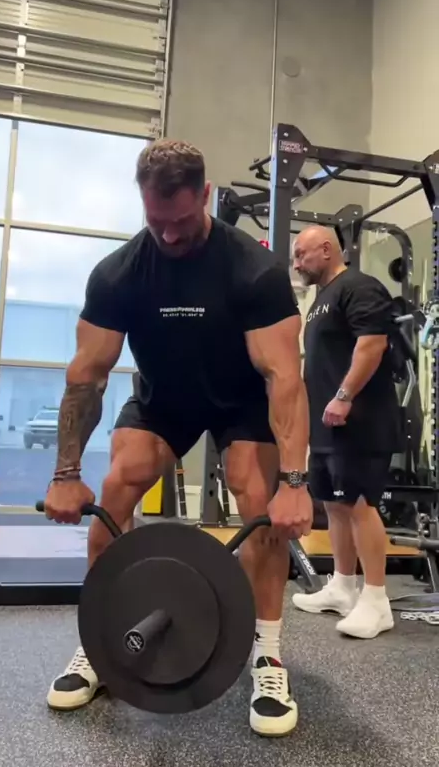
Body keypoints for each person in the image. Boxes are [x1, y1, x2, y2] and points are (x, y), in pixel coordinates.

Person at [43, 139, 312, 736]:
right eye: (155, 221)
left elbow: (284, 379)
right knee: (120, 483)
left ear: (206, 196)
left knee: (258, 499)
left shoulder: (254, 270)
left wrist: (294, 482)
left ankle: (268, 657)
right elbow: (86, 377)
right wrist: (65, 474)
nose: (168, 235)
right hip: (164, 398)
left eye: (182, 221)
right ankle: (101, 643)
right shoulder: (118, 274)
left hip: (241, 401)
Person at [291, 225, 401, 639]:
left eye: (301, 254)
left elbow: (372, 344)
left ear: (326, 249)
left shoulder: (359, 287)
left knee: (358, 504)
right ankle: (342, 586)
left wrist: (343, 396)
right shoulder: (322, 299)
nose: (297, 263)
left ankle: (376, 600)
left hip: (359, 420)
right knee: (333, 503)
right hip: (327, 425)